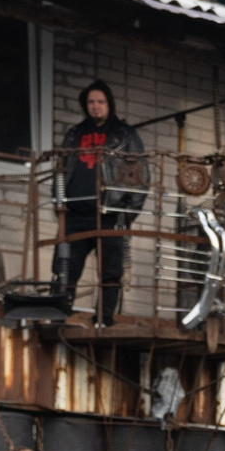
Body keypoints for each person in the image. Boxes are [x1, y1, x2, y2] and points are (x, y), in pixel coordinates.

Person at [52, 80, 144, 325]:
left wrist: (128, 214)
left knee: (110, 271)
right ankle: (57, 315)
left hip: (110, 214)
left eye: (100, 102)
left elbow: (141, 176)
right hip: (75, 214)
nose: (95, 107)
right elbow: (60, 170)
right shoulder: (74, 134)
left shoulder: (125, 135)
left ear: (109, 104)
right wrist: (59, 202)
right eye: (91, 102)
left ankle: (103, 319)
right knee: (65, 267)